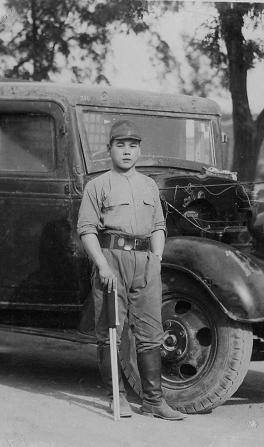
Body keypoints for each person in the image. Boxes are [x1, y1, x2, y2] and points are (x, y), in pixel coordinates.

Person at [77, 119, 184, 420]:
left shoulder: (149, 185)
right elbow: (86, 229)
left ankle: (153, 401)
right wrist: (101, 265)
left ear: (139, 150)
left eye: (132, 146)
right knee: (111, 331)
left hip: (145, 262)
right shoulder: (97, 186)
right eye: (120, 145)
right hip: (112, 260)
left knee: (151, 332)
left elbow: (159, 226)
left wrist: (157, 258)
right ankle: (117, 397)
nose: (126, 152)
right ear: (109, 149)